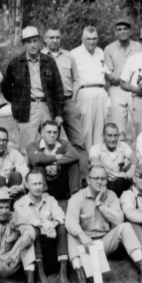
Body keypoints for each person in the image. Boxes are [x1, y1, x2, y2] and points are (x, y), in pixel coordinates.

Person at [66, 163, 142, 283]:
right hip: (85, 243)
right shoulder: (77, 197)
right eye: (96, 178)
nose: (100, 182)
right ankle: (80, 276)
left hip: (104, 242)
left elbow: (119, 221)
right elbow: (70, 221)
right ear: (88, 180)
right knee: (71, 233)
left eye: (103, 178)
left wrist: (100, 205)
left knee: (125, 226)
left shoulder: (111, 196)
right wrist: (82, 236)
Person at [1, 26, 65, 154]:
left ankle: (49, 172)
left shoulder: (49, 61)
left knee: (50, 143)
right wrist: (17, 100)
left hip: (47, 106)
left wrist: (58, 113)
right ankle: (26, 173)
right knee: (27, 147)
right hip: (26, 108)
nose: (32, 45)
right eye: (28, 42)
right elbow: (5, 86)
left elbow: (58, 89)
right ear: (24, 43)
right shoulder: (16, 63)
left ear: (40, 42)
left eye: (35, 41)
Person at [42, 27, 89, 181]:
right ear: (45, 39)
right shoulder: (40, 56)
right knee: (49, 141)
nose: (55, 40)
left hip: (68, 101)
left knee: (79, 142)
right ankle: (48, 181)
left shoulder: (68, 56)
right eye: (51, 37)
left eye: (57, 37)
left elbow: (76, 79)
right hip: (48, 104)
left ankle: (82, 179)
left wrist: (73, 98)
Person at [13, 170, 69, 283]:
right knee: (33, 229)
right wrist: (44, 224)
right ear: (27, 185)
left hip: (52, 244)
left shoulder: (50, 199)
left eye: (40, 183)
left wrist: (53, 223)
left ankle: (63, 274)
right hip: (34, 248)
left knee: (62, 227)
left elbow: (60, 215)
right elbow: (25, 219)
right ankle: (40, 276)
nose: (38, 187)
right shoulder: (20, 204)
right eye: (34, 184)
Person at [71, 26, 110, 151]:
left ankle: (97, 157)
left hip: (101, 92)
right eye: (88, 39)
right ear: (82, 39)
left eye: (94, 39)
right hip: (84, 92)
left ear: (98, 39)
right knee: (86, 128)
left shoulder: (101, 52)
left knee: (100, 127)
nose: (91, 42)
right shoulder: (74, 53)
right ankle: (86, 158)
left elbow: (106, 72)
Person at [103, 18, 142, 142]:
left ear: (130, 31)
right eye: (119, 29)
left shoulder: (139, 47)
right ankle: (121, 154)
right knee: (118, 124)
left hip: (134, 88)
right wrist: (123, 79)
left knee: (139, 121)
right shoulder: (109, 49)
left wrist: (121, 78)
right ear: (115, 32)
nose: (122, 32)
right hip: (117, 90)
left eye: (125, 29)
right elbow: (109, 74)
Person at [25, 120, 81, 200]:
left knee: (74, 163)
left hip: (59, 183)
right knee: (38, 166)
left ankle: (75, 196)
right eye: (49, 132)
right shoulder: (32, 145)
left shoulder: (63, 143)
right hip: (41, 184)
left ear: (58, 134)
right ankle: (44, 196)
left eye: (55, 132)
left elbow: (75, 155)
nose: (52, 135)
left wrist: (54, 162)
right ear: (42, 133)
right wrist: (55, 157)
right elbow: (36, 159)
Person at [89, 122, 136, 196]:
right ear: (103, 136)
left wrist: (133, 167)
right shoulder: (96, 148)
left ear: (119, 136)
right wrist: (115, 174)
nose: (113, 139)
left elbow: (133, 156)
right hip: (105, 181)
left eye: (115, 135)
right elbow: (93, 161)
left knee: (136, 170)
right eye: (109, 136)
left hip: (120, 181)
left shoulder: (123, 145)